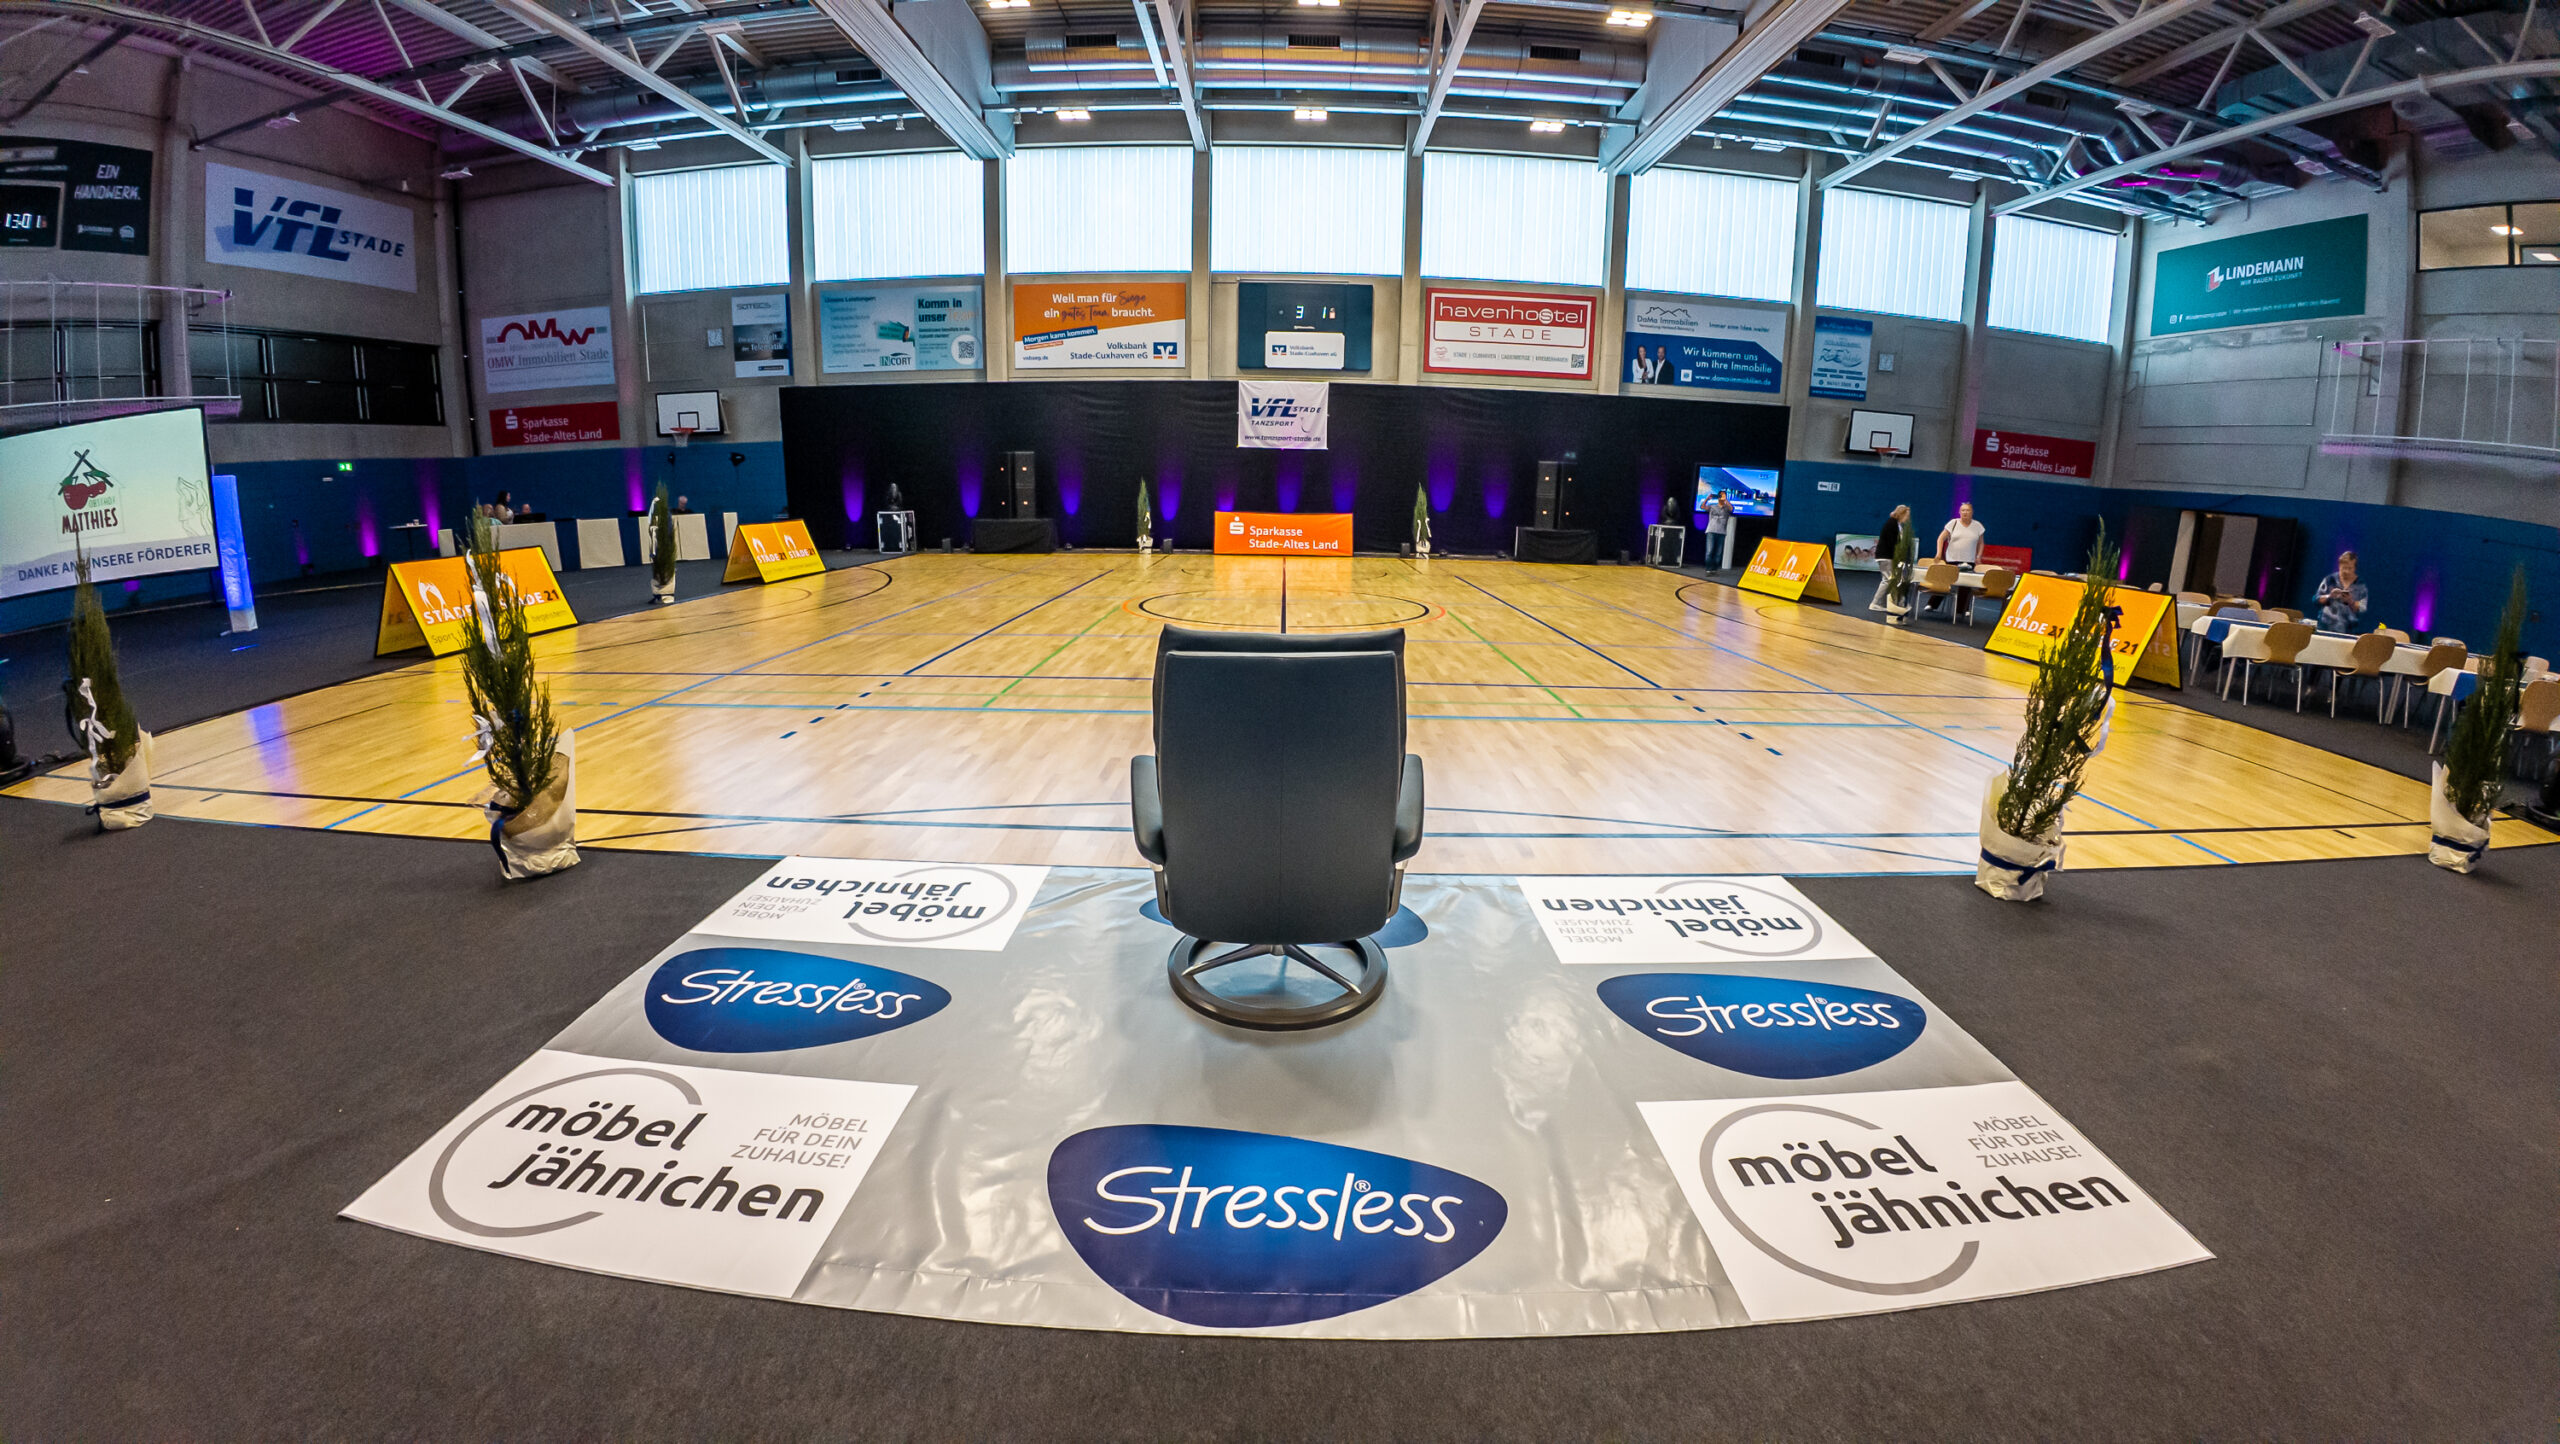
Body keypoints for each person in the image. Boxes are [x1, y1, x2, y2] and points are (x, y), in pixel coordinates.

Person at [1935, 502, 1986, 620]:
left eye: (1968, 510)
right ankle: (1933, 604)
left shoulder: (1978, 526)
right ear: (1959, 512)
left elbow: (1981, 543)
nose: (1965, 512)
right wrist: (1939, 553)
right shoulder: (1953, 523)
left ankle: (1962, 610)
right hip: (1952, 559)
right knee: (1946, 581)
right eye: (1963, 510)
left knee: (1966, 585)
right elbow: (1941, 538)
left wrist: (1978, 556)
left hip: (1969, 560)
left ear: (1972, 512)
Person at [1869, 504, 1911, 613]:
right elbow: (1892, 543)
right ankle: (1875, 603)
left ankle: (1889, 603)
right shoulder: (1892, 524)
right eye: (1906, 515)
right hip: (1886, 556)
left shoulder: (1896, 524)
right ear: (1901, 514)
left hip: (1887, 556)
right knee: (1887, 580)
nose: (1907, 518)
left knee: (1891, 580)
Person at [2315, 550, 2368, 632]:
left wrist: (2350, 601)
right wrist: (2330, 596)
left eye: (2349, 568)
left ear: (2355, 568)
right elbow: (2316, 599)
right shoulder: (2330, 580)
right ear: (2339, 566)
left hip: (2348, 629)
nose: (2346, 571)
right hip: (2325, 626)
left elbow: (2362, 608)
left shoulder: (2360, 585)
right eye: (2344, 568)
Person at [1702, 491, 1733, 567]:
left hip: (1721, 532)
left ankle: (1714, 568)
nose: (1721, 497)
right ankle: (1708, 568)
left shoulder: (1727, 508)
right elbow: (1702, 507)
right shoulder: (1712, 506)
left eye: (1723, 495)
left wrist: (1725, 500)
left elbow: (1731, 509)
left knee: (1718, 553)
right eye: (1720, 495)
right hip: (1711, 531)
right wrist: (1707, 499)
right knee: (1709, 551)